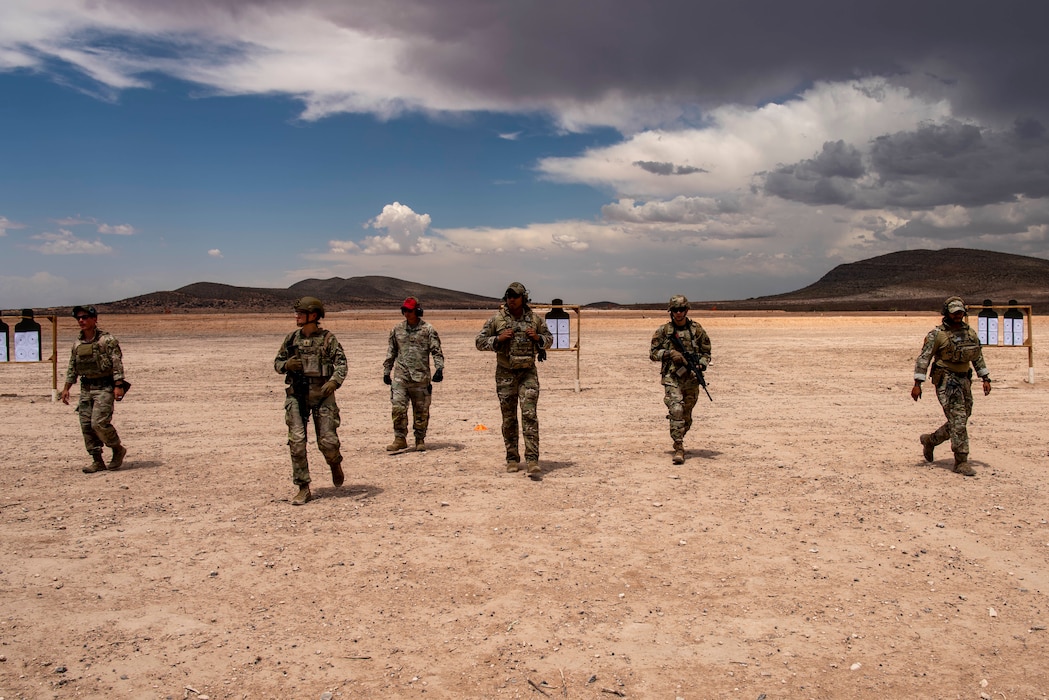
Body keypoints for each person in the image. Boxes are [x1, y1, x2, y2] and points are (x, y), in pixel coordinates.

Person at [475, 282, 553, 479]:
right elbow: (479, 342)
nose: (511, 299)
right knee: (509, 418)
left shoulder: (534, 319)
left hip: (527, 374)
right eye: (508, 295)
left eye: (515, 296)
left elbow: (549, 339)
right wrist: (498, 340)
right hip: (505, 374)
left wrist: (538, 338)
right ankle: (512, 458)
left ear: (523, 298)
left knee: (529, 415)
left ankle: (532, 460)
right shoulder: (497, 320)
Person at [274, 296, 347, 505]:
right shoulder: (291, 339)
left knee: (328, 442)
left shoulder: (327, 339)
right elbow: (277, 363)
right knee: (296, 442)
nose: (296, 316)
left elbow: (341, 364)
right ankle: (303, 487)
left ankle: (335, 463)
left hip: (322, 397)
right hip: (297, 396)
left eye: (300, 313)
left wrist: (334, 382)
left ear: (313, 315)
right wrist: (287, 365)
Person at [911, 296, 992, 476]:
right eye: (954, 312)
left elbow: (977, 356)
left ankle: (930, 440)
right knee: (958, 418)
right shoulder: (937, 335)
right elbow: (924, 358)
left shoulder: (970, 333)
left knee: (961, 418)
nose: (958, 315)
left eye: (960, 312)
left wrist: (985, 378)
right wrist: (918, 383)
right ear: (947, 313)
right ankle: (961, 460)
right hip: (946, 380)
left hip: (964, 380)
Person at [59, 305, 129, 473]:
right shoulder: (77, 344)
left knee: (99, 423)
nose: (81, 321)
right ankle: (97, 460)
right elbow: (72, 367)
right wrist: (66, 388)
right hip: (86, 388)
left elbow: (117, 363)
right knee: (86, 426)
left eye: (84, 317)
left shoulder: (107, 340)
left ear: (94, 319)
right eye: (78, 318)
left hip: (104, 386)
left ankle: (117, 448)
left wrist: (119, 385)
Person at [650, 295, 712, 465]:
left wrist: (700, 365)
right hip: (672, 377)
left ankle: (678, 433)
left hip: (691, 378)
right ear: (671, 312)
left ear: (687, 310)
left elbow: (706, 353)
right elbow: (653, 353)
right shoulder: (664, 331)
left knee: (686, 416)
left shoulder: (697, 330)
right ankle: (679, 447)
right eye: (675, 310)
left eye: (681, 310)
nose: (678, 313)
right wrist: (669, 353)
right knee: (676, 409)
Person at [383, 296, 445, 452]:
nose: (406, 313)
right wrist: (386, 371)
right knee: (398, 408)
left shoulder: (428, 330)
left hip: (420, 378)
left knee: (421, 410)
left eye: (409, 310)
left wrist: (439, 368)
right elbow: (391, 352)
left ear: (417, 311)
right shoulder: (396, 330)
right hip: (401, 377)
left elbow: (436, 351)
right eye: (404, 310)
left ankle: (420, 439)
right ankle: (399, 439)